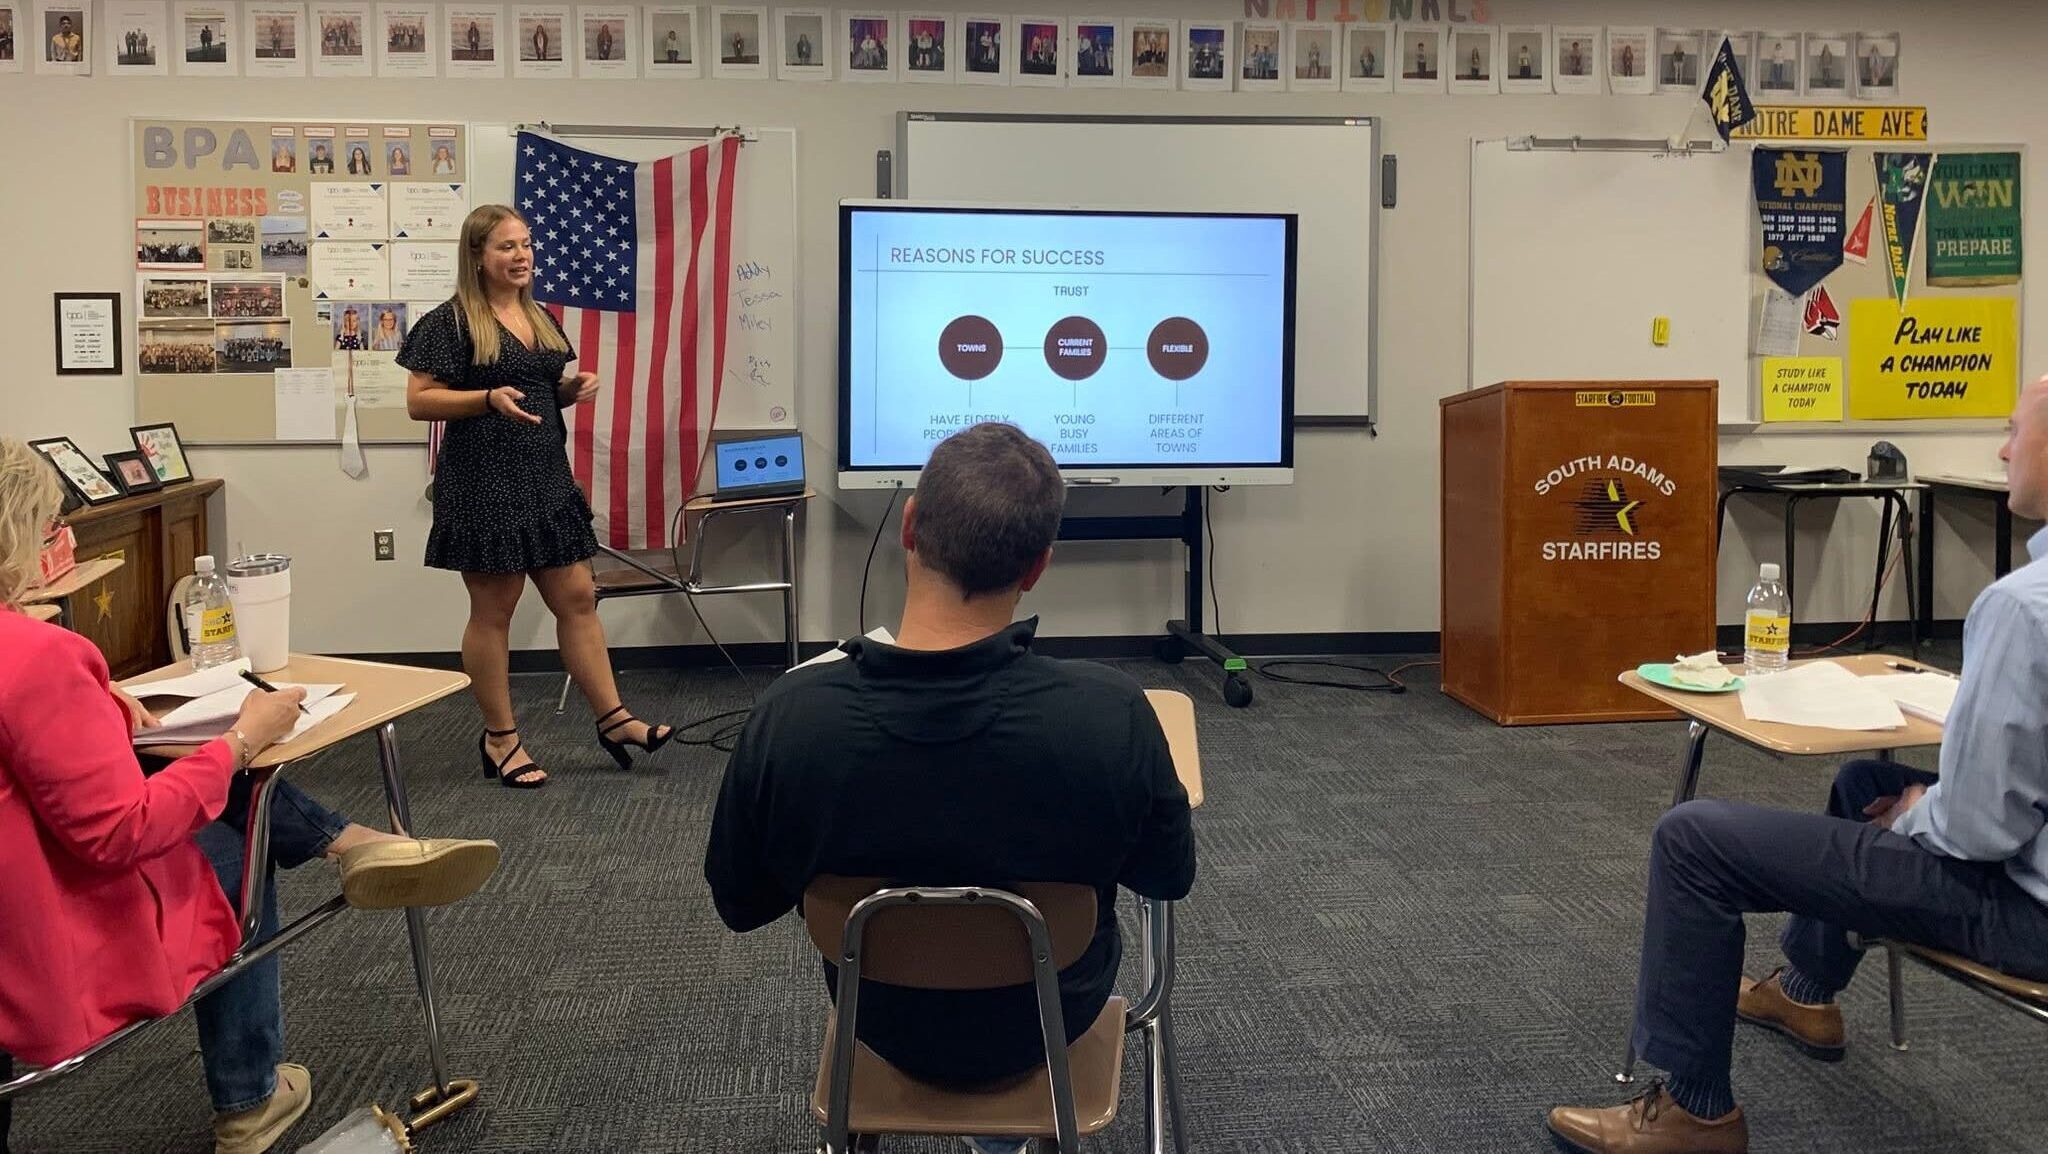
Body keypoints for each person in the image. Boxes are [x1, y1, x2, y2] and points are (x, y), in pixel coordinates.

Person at [1546, 384, 2048, 1154]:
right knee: (1865, 785)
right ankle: (1807, 991)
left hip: (2023, 910)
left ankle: (1694, 1113)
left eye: (2016, 432)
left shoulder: (2024, 607)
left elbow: (1980, 831)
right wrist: (1918, 796)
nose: (2003, 450)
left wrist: (1917, 811)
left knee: (1694, 840)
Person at [705, 423, 1197, 1154]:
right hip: (1050, 1022)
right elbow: (1167, 875)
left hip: (883, 1024)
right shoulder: (1112, 712)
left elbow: (740, 903)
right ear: (1038, 566)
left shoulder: (790, 717)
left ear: (908, 526)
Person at [0, 438, 500, 1154]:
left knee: (223, 783)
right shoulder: (36, 656)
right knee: (246, 814)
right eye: (55, 525)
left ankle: (348, 842)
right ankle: (251, 1099)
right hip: (45, 930)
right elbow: (121, 833)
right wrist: (241, 739)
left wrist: (97, 701)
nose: (68, 542)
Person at [400, 205, 672, 789]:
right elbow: (419, 400)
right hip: (484, 482)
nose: (522, 255)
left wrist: (570, 390)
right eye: (506, 246)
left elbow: (539, 391)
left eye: (525, 244)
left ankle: (614, 719)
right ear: (478, 256)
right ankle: (500, 739)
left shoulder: (539, 315)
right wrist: (484, 398)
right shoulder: (449, 322)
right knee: (494, 610)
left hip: (546, 477)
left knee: (577, 597)